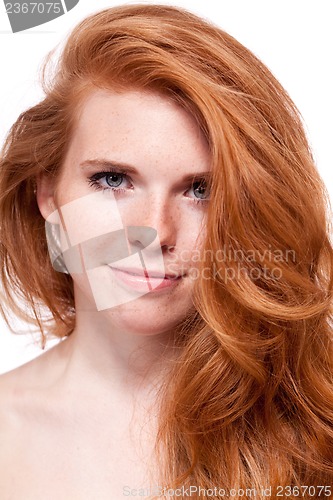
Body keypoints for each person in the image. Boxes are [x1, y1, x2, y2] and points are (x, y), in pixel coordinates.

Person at [0, 4, 332, 498]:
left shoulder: (316, 424)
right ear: (47, 193)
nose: (154, 232)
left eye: (200, 190)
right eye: (112, 180)